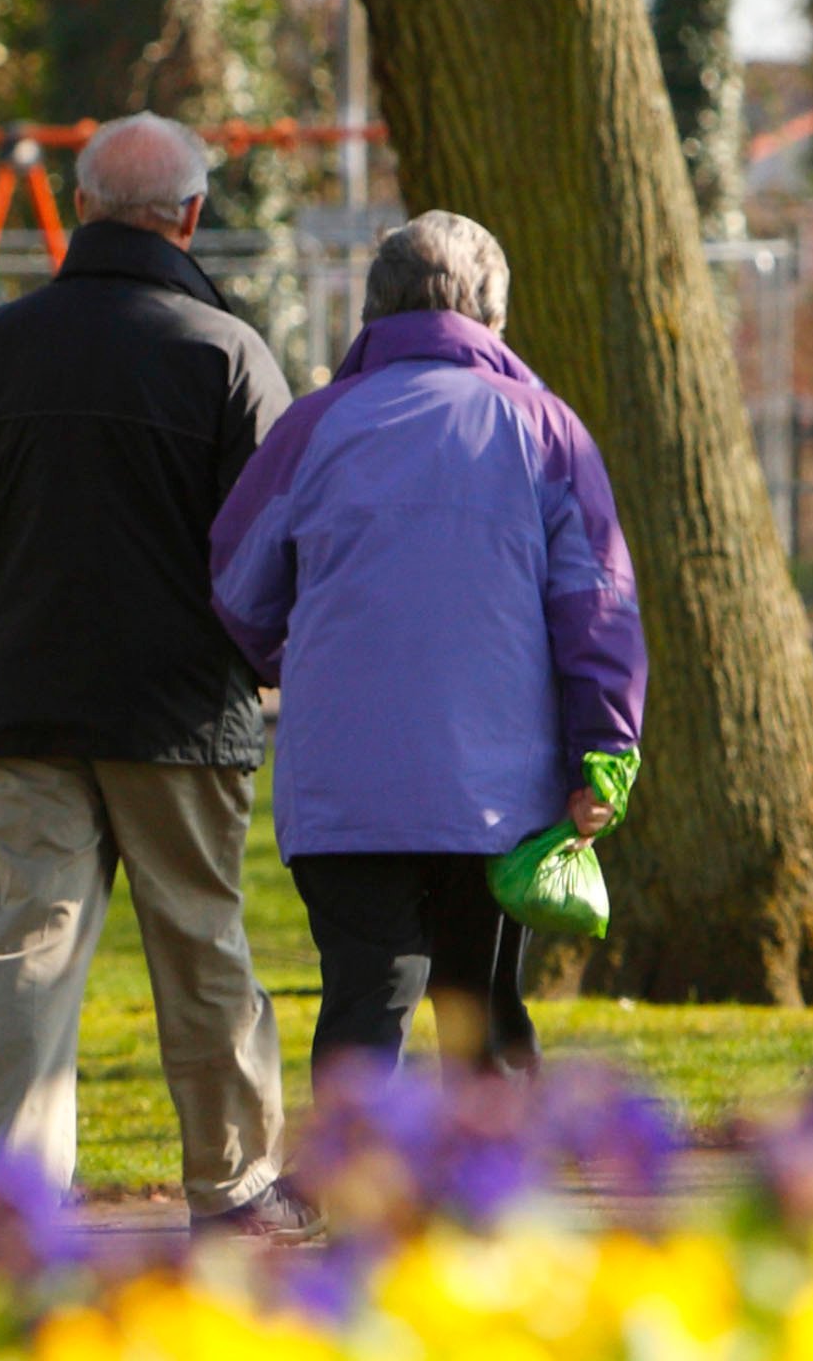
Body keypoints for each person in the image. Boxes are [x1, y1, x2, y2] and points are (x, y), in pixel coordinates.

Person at [0, 112, 316, 1239]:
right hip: (181, 709)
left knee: (31, 948)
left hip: (30, 702)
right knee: (202, 945)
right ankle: (232, 1187)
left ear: (79, 208)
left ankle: (10, 1205)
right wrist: (246, 659)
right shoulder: (226, 354)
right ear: (190, 214)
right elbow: (281, 542)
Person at [209, 210, 646, 1084]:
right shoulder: (546, 429)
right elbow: (596, 602)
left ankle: (351, 1193)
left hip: (343, 779)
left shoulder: (314, 425)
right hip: (494, 780)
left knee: (365, 993)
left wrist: (295, 662)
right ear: (493, 317)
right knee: (477, 997)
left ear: (375, 311)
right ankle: (494, 1194)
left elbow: (238, 587)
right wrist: (602, 749)